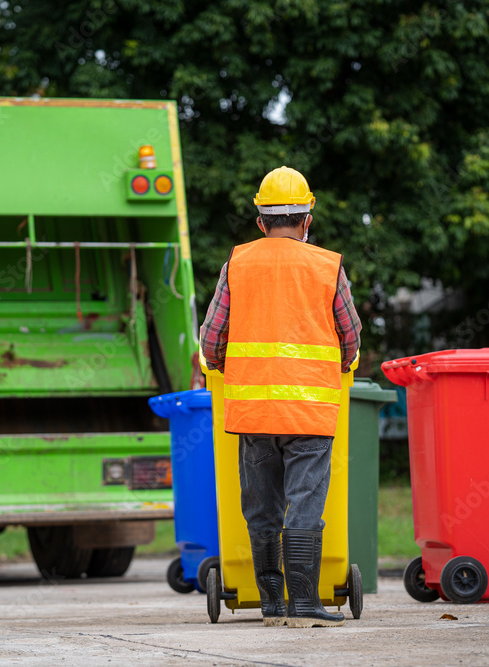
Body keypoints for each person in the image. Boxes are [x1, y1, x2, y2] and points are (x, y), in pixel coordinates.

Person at [200, 166, 361, 628]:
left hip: (253, 412)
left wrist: (237, 370)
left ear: (260, 221)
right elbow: (350, 339)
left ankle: (270, 603)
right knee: (305, 502)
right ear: (308, 219)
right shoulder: (328, 265)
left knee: (261, 507)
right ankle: (304, 604)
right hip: (309, 411)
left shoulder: (237, 263)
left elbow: (211, 341)